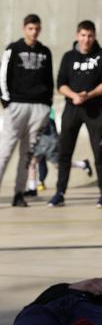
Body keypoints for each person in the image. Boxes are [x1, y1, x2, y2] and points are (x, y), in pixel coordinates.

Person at [48, 20, 102, 209]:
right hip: (72, 109)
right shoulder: (69, 57)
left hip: (94, 110)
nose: (86, 39)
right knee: (64, 153)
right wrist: (74, 96)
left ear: (94, 36)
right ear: (77, 35)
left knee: (99, 153)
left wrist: (89, 95)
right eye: (83, 35)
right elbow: (60, 83)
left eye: (90, 36)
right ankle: (59, 193)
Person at [0, 14, 53, 207]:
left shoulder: (45, 52)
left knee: (28, 154)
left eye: (37, 29)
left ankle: (18, 194)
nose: (34, 32)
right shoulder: (13, 49)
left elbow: (49, 79)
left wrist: (48, 105)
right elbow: (3, 74)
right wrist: (6, 101)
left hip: (39, 108)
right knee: (5, 151)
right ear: (24, 28)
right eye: (31, 28)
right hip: (17, 105)